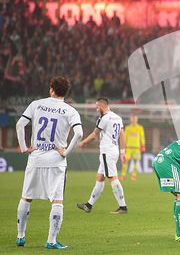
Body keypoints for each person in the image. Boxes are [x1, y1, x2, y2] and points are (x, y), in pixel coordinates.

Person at [15, 76, 83, 249]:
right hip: (56, 161)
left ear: (51, 89)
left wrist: (24, 147)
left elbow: (20, 124)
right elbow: (79, 134)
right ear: (65, 92)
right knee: (57, 201)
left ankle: (20, 236)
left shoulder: (36, 104)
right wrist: (65, 152)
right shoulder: (70, 111)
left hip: (35, 158)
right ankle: (51, 241)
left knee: (26, 197)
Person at [77, 98, 128, 214]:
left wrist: (83, 142)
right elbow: (122, 135)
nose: (96, 109)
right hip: (114, 150)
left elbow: (95, 135)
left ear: (102, 106)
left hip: (107, 152)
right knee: (100, 178)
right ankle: (89, 205)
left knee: (112, 178)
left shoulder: (104, 118)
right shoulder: (117, 117)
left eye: (97, 107)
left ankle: (123, 207)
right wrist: (122, 152)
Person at [120, 114, 145, 181]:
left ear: (137, 120)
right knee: (125, 162)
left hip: (137, 148)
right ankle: (123, 175)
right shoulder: (128, 128)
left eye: (135, 119)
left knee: (135, 163)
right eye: (133, 119)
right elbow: (125, 137)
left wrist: (143, 145)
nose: (134, 120)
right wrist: (124, 146)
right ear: (131, 120)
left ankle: (133, 176)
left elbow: (142, 137)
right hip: (129, 148)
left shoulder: (140, 128)